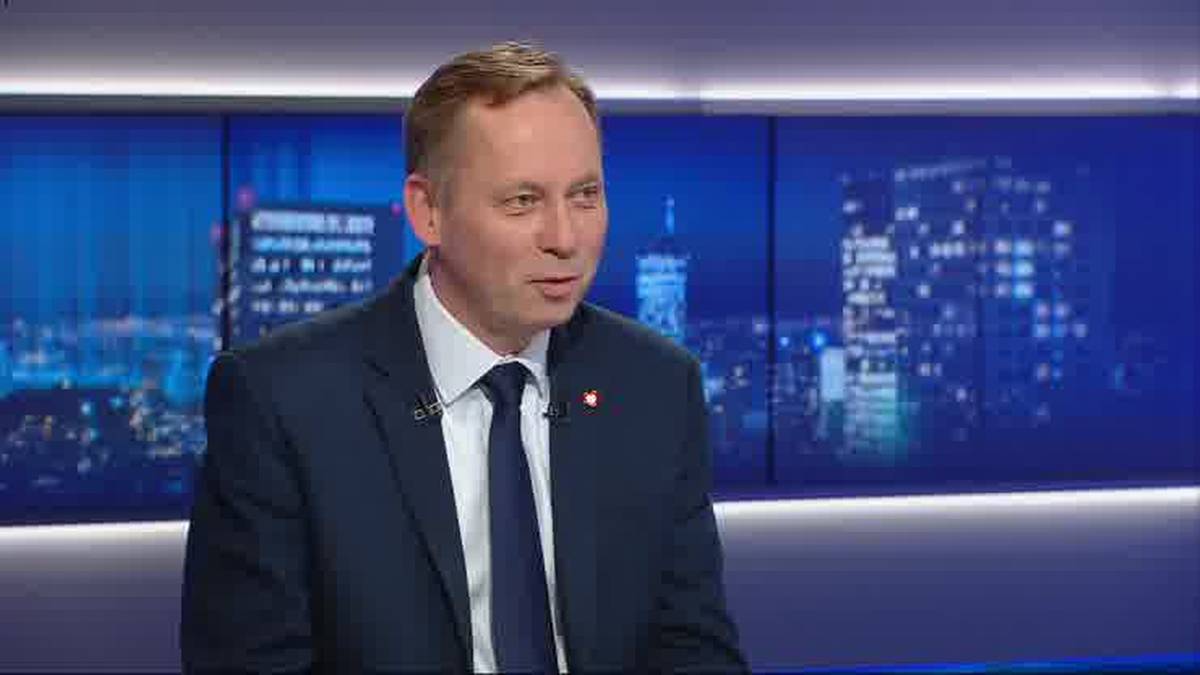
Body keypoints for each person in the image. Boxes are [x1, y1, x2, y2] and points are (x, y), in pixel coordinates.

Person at [181, 41, 746, 673]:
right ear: (428, 211)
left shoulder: (654, 385)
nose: (565, 238)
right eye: (522, 201)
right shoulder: (283, 402)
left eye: (585, 195)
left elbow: (693, 649)